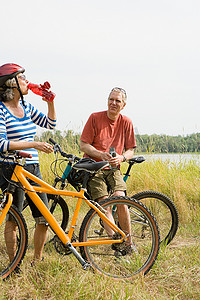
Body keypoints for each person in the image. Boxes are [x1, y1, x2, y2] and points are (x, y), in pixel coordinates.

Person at [0, 63, 56, 263]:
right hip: (11, 169)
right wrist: (34, 143)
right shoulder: (1, 110)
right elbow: (2, 143)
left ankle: (37, 259)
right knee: (14, 219)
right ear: (11, 84)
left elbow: (50, 124)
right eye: (22, 77)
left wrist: (50, 102)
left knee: (44, 217)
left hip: (33, 168)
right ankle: (14, 264)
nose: (27, 81)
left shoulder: (26, 106)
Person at [80, 87, 136, 250]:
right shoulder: (95, 118)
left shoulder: (126, 122)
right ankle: (116, 242)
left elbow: (130, 150)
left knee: (121, 200)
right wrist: (99, 154)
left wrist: (122, 157)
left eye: (117, 101)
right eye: (111, 99)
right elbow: (84, 145)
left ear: (123, 105)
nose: (113, 103)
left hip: (114, 168)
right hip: (94, 167)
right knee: (105, 205)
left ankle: (128, 242)